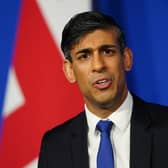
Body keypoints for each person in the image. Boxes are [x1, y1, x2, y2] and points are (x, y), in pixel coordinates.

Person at [38, 11, 168, 168]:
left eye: (107, 51)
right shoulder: (54, 146)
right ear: (70, 70)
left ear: (126, 58)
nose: (98, 65)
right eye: (84, 56)